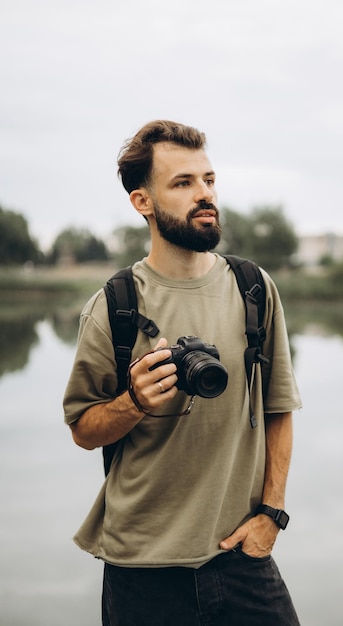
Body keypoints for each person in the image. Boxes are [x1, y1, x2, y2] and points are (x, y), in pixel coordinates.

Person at [63, 120, 302, 625]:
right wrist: (135, 402)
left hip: (243, 554)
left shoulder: (254, 288)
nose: (204, 195)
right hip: (142, 568)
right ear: (142, 202)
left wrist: (272, 515)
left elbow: (278, 407)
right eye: (183, 183)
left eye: (209, 180)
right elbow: (84, 430)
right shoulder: (114, 306)